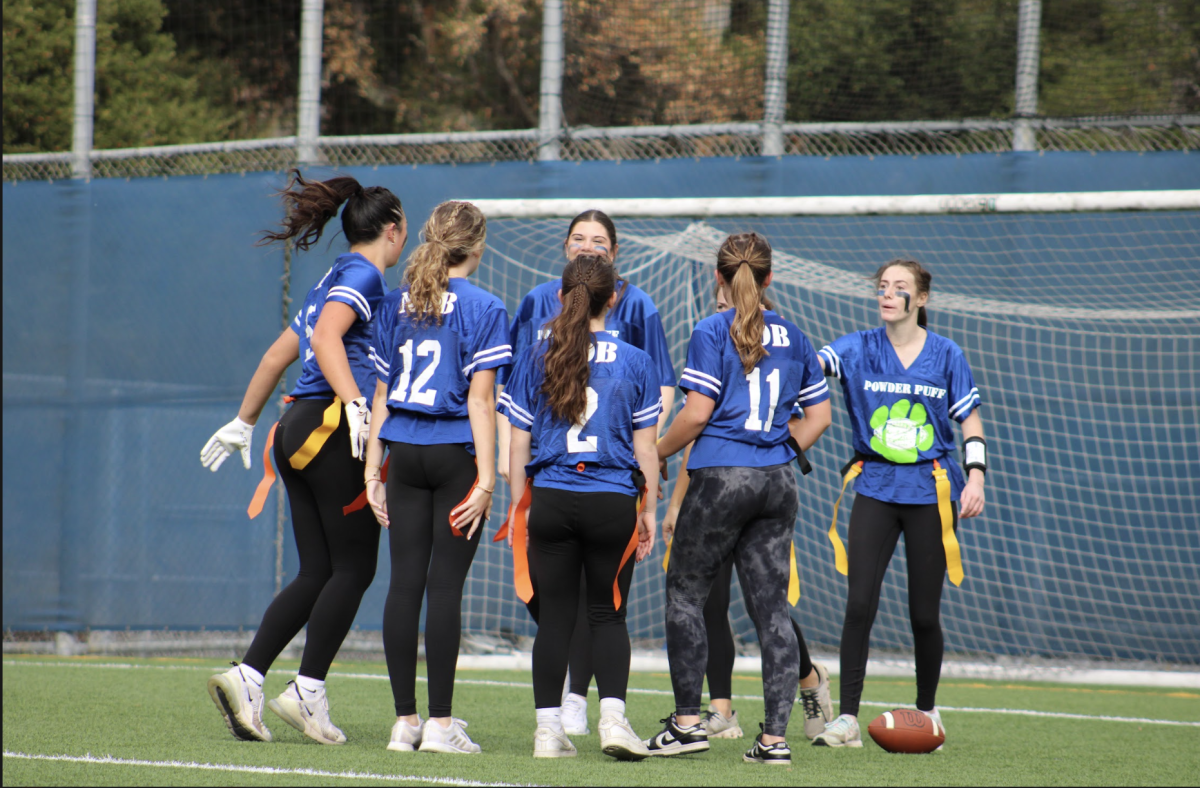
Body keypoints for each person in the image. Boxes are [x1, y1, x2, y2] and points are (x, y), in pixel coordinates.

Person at [202, 170, 406, 745]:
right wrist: (356, 405)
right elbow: (325, 341)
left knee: (319, 569)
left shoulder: (332, 279)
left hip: (296, 427)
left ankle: (248, 676)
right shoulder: (364, 275)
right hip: (330, 429)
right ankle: (306, 691)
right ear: (395, 230)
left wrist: (245, 421)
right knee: (356, 567)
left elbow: (276, 356)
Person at [651, 232, 831, 765]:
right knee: (772, 610)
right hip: (777, 482)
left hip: (721, 480)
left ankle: (688, 726)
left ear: (719, 278)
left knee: (686, 597)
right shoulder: (796, 336)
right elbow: (818, 417)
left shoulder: (711, 329)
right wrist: (775, 447)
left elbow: (698, 412)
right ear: (770, 277)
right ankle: (774, 741)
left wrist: (656, 452)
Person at [496, 210, 676, 735]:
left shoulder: (537, 354)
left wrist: (519, 502)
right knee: (608, 614)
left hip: (550, 495)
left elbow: (518, 443)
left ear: (561, 296)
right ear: (613, 298)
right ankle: (614, 723)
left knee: (554, 620)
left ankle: (549, 732)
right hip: (611, 499)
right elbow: (646, 450)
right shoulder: (638, 361)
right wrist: (647, 509)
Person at [811, 258, 986, 748]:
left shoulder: (947, 354)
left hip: (931, 491)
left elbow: (970, 424)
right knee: (859, 603)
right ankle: (846, 720)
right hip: (874, 488)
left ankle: (929, 711)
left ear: (921, 298)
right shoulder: (857, 346)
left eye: (899, 287)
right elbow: (812, 363)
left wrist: (976, 478)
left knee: (924, 615)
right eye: (883, 286)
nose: (887, 294)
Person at [361, 201, 511, 755]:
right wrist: (488, 478)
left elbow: (380, 395)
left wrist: (373, 468)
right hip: (453, 456)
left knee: (403, 585)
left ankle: (406, 723)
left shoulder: (396, 301)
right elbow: (480, 399)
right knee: (444, 587)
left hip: (404, 455)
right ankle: (442, 727)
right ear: (478, 246)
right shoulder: (485, 305)